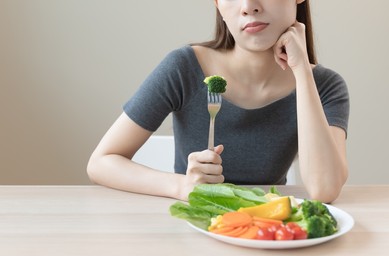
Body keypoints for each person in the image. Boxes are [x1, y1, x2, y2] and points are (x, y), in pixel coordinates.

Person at [87, 0, 349, 203]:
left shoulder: (326, 86)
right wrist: (183, 186)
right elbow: (101, 162)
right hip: (192, 227)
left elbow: (324, 189)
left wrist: (302, 71)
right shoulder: (182, 67)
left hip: (267, 230)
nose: (249, 7)